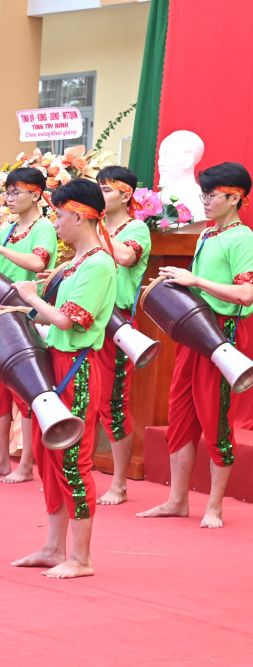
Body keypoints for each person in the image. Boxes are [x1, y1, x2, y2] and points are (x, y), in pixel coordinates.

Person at [138, 162, 253, 528]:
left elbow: (246, 294)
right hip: (194, 330)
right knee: (180, 413)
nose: (204, 201)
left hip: (223, 334)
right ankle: (177, 500)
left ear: (235, 198)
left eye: (210, 195)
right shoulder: (207, 233)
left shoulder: (243, 237)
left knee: (215, 416)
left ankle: (215, 506)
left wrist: (196, 281)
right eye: (202, 194)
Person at [11, 178, 116, 578]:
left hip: (78, 370)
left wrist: (31, 298)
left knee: (74, 459)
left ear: (79, 215)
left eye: (58, 214)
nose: (55, 223)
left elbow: (68, 320)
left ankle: (81, 557)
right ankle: (55, 548)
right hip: (55, 363)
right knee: (48, 456)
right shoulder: (75, 262)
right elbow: (51, 320)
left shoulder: (100, 263)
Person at [0, 168, 57, 482]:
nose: (9, 198)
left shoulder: (44, 226)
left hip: (22, 314)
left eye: (15, 192)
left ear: (35, 195)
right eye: (6, 192)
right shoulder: (7, 228)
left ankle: (27, 464)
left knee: (25, 391)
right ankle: (1, 458)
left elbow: (38, 263)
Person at [94, 166, 151, 505]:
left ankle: (119, 483)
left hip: (116, 323)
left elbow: (127, 256)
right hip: (86, 320)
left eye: (106, 190)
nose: (100, 197)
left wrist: (95, 229)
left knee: (113, 403)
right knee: (82, 398)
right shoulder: (97, 228)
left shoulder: (137, 228)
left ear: (127, 195)